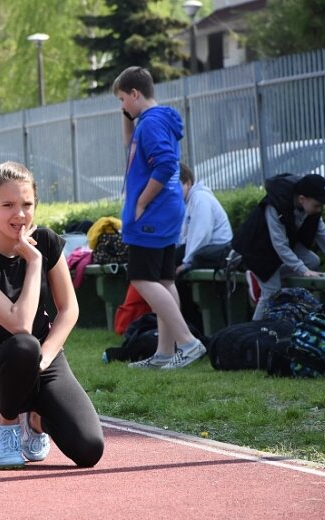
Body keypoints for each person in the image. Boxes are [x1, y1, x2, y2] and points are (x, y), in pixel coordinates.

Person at [0, 161, 104, 470]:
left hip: (44, 359)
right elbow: (19, 324)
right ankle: (7, 424)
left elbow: (69, 309)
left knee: (90, 449)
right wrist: (34, 261)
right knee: (25, 344)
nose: (20, 214)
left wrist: (46, 358)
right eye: (8, 205)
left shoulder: (48, 241)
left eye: (27, 205)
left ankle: (37, 421)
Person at [113, 66, 206, 369]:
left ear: (135, 94)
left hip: (153, 213)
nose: (122, 106)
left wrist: (141, 202)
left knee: (141, 278)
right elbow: (131, 148)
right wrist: (127, 119)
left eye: (123, 99)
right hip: (167, 210)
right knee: (164, 280)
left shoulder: (151, 123)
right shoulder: (155, 119)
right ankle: (164, 352)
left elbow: (166, 165)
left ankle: (188, 343)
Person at [233, 173, 325, 320]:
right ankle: (255, 331)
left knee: (312, 262)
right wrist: (302, 270)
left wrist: (304, 268)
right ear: (302, 199)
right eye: (317, 205)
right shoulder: (275, 206)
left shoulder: (312, 211)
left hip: (283, 244)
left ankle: (261, 279)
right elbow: (280, 245)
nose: (320, 209)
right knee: (271, 292)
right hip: (258, 249)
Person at [175, 163, 233, 275]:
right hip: (207, 249)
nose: (173, 192)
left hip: (215, 251)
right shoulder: (189, 201)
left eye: (176, 186)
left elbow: (201, 235)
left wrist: (187, 263)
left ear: (188, 183)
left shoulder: (200, 199)